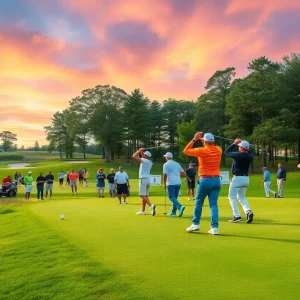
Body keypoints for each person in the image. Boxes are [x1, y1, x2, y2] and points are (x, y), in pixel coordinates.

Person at [184, 133, 222, 235]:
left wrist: (194, 139)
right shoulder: (218, 149)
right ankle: (214, 228)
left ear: (204, 142)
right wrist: (202, 140)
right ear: (213, 141)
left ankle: (195, 224)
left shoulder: (202, 150)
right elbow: (209, 144)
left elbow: (186, 151)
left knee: (198, 202)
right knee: (213, 204)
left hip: (205, 180)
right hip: (216, 181)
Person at [225, 139, 254, 224]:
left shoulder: (238, 155)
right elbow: (250, 151)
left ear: (241, 148)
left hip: (237, 178)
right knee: (241, 197)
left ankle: (236, 216)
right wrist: (245, 144)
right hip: (246, 179)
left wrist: (234, 143)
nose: (238, 148)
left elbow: (227, 152)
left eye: (239, 147)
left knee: (231, 197)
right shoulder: (250, 156)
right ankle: (248, 211)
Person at [132, 148, 156, 216]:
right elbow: (143, 157)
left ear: (146, 156)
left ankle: (151, 206)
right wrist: (142, 152)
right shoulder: (149, 162)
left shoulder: (144, 160)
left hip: (143, 179)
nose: (143, 155)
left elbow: (134, 156)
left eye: (144, 154)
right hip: (148, 179)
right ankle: (143, 210)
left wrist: (139, 150)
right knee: (145, 196)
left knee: (142, 195)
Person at [163, 152, 186, 217]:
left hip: (171, 183)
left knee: (171, 197)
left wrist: (164, 183)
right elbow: (183, 173)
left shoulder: (166, 164)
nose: (165, 158)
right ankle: (173, 212)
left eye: (165, 157)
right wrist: (177, 174)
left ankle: (180, 207)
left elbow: (165, 175)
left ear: (167, 157)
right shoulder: (177, 164)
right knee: (175, 198)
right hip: (178, 182)